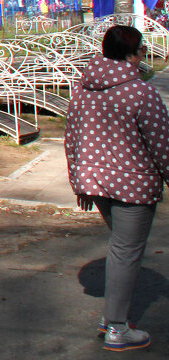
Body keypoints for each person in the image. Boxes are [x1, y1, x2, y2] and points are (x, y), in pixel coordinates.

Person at [65, 24, 169, 351]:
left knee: (120, 249)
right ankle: (117, 328)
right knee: (125, 253)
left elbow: (72, 140)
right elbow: (162, 145)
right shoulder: (141, 92)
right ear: (130, 54)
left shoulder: (82, 89)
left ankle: (111, 317)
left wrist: (79, 183)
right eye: (141, 52)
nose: (143, 58)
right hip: (134, 188)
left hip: (96, 185)